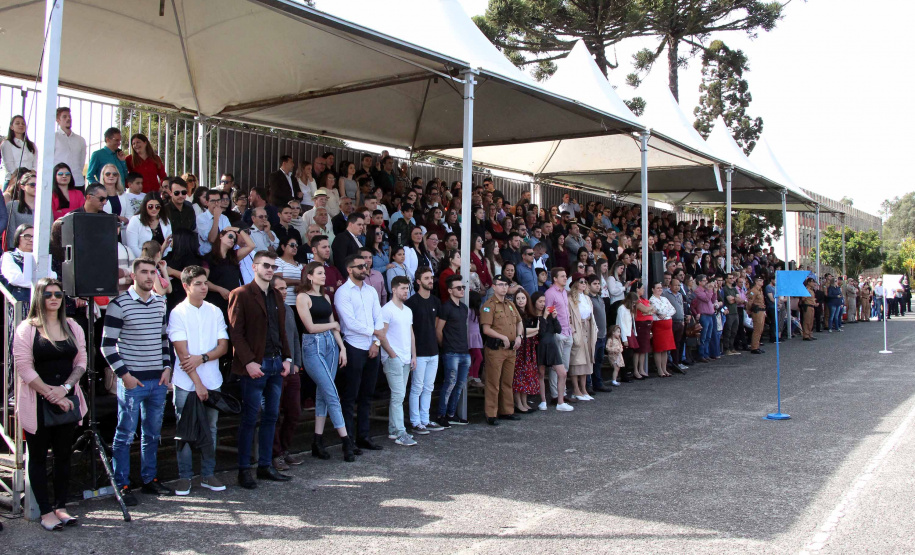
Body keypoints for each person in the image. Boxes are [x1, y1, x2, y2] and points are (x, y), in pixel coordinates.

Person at [13, 278, 86, 531]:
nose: (54, 298)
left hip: (67, 399)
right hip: (37, 401)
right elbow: (24, 368)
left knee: (64, 455)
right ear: (38, 298)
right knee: (38, 457)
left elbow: (81, 362)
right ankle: (45, 511)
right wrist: (52, 394)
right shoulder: (26, 329)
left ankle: (61, 506)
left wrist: (64, 390)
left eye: (57, 294)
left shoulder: (73, 326)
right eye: (48, 294)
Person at [102, 258, 173, 506]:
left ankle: (149, 479)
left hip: (158, 380)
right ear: (133, 276)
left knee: (152, 434)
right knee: (124, 434)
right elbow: (107, 345)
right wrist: (125, 375)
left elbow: (164, 339)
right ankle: (121, 484)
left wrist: (167, 367)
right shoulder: (118, 304)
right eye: (144, 272)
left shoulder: (160, 302)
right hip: (133, 381)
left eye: (152, 272)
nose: (149, 276)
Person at [229, 250, 293, 489]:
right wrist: (248, 361)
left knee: (272, 416)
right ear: (254, 267)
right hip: (255, 364)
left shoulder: (276, 295)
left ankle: (265, 466)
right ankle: (244, 470)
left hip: (276, 363)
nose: (270, 270)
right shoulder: (241, 293)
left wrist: (287, 357)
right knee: (250, 419)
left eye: (273, 267)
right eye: (266, 265)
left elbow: (281, 329)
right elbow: (235, 332)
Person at [166, 266, 229, 496]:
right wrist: (198, 383)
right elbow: (182, 353)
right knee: (185, 430)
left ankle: (208, 473)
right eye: (198, 284)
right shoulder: (178, 313)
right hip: (185, 382)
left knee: (210, 428)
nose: (204, 287)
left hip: (212, 379)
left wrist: (202, 358)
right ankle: (184, 477)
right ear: (186, 286)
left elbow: (223, 346)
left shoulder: (214, 310)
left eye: (205, 283)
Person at [295, 262, 357, 461]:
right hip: (313, 346)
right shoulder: (302, 297)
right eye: (320, 273)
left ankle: (317, 441)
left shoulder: (325, 297)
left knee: (323, 394)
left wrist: (342, 348)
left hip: (330, 344)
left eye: (324, 273)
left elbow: (333, 326)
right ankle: (346, 440)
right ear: (309, 276)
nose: (324, 276)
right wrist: (333, 325)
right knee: (331, 393)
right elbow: (311, 327)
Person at [335, 253, 386, 450]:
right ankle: (347, 440)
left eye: (365, 266)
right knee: (350, 396)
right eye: (360, 266)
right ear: (349, 270)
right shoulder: (343, 292)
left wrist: (376, 342)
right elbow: (350, 323)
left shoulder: (371, 291)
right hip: (353, 346)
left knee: (367, 395)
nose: (364, 269)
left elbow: (378, 317)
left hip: (372, 346)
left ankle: (363, 436)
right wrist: (374, 332)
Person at [270, 277, 306, 472]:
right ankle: (275, 454)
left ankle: (284, 450)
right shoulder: (268, 310)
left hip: (292, 370)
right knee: (274, 414)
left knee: (294, 411)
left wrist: (297, 364)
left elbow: (294, 338)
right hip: (275, 368)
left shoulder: (288, 310)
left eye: (285, 288)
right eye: (280, 289)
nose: (284, 292)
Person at [480, 274, 524, 425]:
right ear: (493, 287)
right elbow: (486, 329)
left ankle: (507, 411)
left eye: (506, 285)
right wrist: (502, 337)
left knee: (507, 381)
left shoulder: (510, 304)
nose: (504, 287)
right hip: (496, 349)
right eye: (500, 284)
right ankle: (491, 414)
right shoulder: (489, 305)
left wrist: (519, 336)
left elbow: (519, 322)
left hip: (511, 349)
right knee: (493, 382)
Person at [379, 276, 417, 446]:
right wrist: (392, 354)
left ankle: (393, 430)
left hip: (406, 358)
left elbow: (411, 334)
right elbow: (381, 335)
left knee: (398, 396)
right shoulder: (387, 310)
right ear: (393, 289)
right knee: (398, 395)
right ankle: (401, 433)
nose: (406, 291)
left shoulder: (407, 310)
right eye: (402, 288)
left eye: (407, 288)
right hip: (393, 358)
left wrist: (413, 355)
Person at [405, 267, 442, 434]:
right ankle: (415, 421)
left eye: (431, 277)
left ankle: (425, 420)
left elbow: (435, 325)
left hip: (433, 350)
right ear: (418, 281)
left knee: (428, 387)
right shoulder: (411, 303)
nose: (430, 280)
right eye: (426, 278)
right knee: (417, 387)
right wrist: (412, 353)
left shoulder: (435, 301)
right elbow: (409, 330)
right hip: (418, 352)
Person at [435, 274, 471, 426]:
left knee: (459, 385)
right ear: (450, 290)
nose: (462, 290)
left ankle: (451, 414)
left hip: (464, 351)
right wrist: (445, 346)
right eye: (458, 288)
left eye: (463, 287)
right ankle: (441, 415)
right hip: (451, 352)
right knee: (449, 384)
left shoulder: (464, 308)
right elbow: (438, 330)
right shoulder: (445, 307)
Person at [1, 224, 55, 301]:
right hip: (19, 301)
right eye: (27, 236)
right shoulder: (9, 256)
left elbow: (53, 276)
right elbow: (15, 278)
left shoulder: (41, 257)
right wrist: (43, 284)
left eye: (34, 236)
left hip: (41, 300)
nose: (31, 240)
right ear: (18, 237)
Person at [568, 274, 597, 400]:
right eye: (581, 282)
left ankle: (584, 389)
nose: (584, 284)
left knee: (586, 359)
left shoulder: (587, 298)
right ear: (575, 284)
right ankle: (576, 389)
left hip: (587, 327)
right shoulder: (570, 299)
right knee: (576, 360)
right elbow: (568, 316)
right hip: (577, 327)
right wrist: (572, 329)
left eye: (585, 282)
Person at [511, 289, 540, 413]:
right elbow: (522, 332)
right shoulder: (514, 313)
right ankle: (518, 403)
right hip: (519, 348)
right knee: (518, 376)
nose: (520, 301)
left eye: (523, 298)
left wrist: (534, 330)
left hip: (529, 348)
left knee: (527, 375)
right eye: (518, 298)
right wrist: (536, 329)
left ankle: (525, 402)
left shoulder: (530, 313)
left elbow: (534, 331)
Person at [125, 192, 172, 258]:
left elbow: (169, 245)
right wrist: (146, 260)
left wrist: (161, 258)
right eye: (150, 206)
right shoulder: (135, 220)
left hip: (162, 259)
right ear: (145, 206)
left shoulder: (165, 220)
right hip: (141, 260)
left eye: (157, 206)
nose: (154, 209)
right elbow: (132, 247)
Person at [649, 282, 676, 377]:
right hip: (658, 326)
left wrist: (666, 314)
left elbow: (673, 309)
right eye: (657, 288)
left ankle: (664, 369)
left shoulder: (664, 299)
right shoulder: (652, 300)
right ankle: (660, 370)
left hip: (667, 325)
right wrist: (665, 313)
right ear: (653, 289)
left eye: (661, 288)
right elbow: (659, 311)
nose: (660, 289)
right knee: (659, 348)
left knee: (665, 349)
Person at [2, 116, 36, 186]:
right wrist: (21, 176)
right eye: (17, 123)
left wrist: (32, 173)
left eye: (23, 123)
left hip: (30, 182)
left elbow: (36, 163)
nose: (21, 125)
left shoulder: (31, 145)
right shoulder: (7, 143)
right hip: (13, 181)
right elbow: (9, 165)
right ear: (11, 127)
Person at [5, 171, 36, 245]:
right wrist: (13, 248)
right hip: (20, 247)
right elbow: (11, 231)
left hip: (41, 247)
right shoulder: (12, 206)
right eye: (32, 185)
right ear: (22, 187)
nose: (36, 187)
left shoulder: (45, 207)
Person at [747, 275, 767, 354]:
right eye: (760, 280)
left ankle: (757, 346)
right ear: (756, 281)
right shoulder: (753, 291)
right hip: (757, 311)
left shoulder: (760, 290)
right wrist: (749, 311)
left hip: (761, 310)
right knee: (757, 329)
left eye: (762, 280)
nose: (762, 282)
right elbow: (750, 302)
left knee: (760, 329)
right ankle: (754, 347)